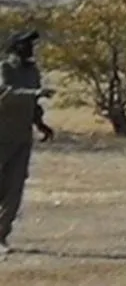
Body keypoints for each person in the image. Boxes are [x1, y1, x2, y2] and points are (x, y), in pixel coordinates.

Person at [0, 30, 55, 255]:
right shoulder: (4, 68)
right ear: (15, 47)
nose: (31, 48)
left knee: (15, 189)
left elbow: (33, 104)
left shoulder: (32, 72)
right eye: (26, 44)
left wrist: (40, 123)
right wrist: (34, 92)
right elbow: (5, 94)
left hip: (22, 138)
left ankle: (1, 235)